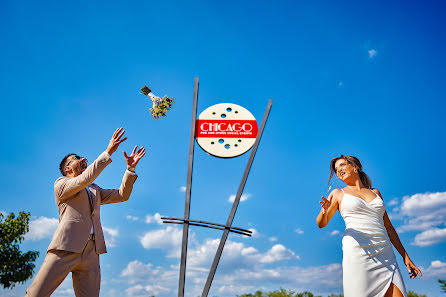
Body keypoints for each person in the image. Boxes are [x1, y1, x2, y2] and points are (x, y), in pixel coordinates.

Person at [26, 127, 146, 297]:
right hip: (65, 247)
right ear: (67, 169)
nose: (82, 159)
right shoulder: (61, 185)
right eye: (76, 159)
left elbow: (121, 195)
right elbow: (84, 179)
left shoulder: (94, 189)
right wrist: (107, 152)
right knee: (36, 294)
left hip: (91, 251)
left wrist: (130, 170)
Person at [316, 155, 421, 297]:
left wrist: (405, 256)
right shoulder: (338, 193)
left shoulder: (376, 193)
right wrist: (324, 211)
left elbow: (389, 227)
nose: (338, 170)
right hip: (359, 252)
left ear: (355, 167)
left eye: (341, 165)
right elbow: (321, 223)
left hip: (385, 252)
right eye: (336, 169)